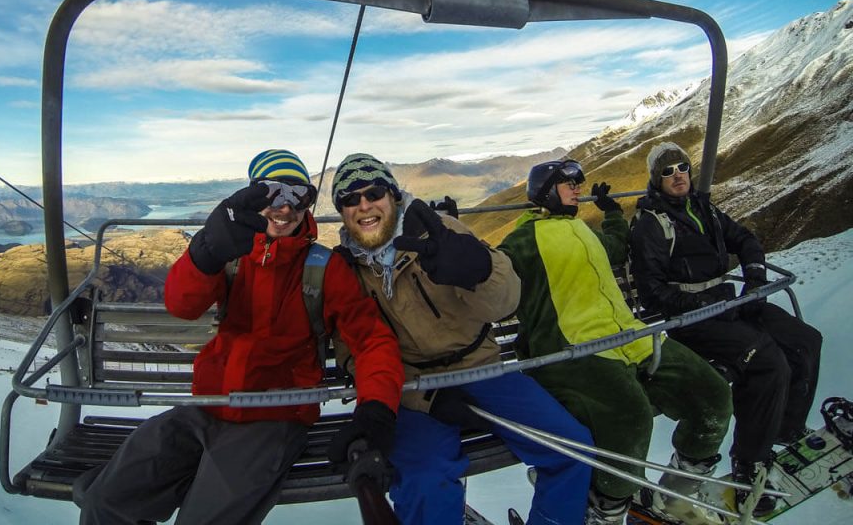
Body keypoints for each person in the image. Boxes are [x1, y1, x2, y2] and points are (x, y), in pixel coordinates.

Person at [74, 149, 404, 525]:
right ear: (251, 197)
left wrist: (375, 409)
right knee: (103, 502)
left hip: (274, 418)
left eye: (299, 195)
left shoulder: (323, 268)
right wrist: (205, 252)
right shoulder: (231, 256)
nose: (285, 208)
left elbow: (371, 340)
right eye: (271, 193)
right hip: (206, 408)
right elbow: (182, 305)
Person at [330, 152, 592, 525]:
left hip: (482, 368)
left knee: (571, 448)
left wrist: (481, 271)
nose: (364, 205)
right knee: (425, 480)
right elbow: (353, 354)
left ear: (393, 195)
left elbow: (506, 301)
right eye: (350, 200)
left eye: (374, 193)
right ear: (341, 211)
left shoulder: (439, 232)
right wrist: (423, 398)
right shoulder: (347, 271)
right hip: (414, 387)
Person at [498, 159, 733, 525]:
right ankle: (605, 507)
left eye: (578, 181)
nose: (578, 187)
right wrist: (452, 241)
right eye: (569, 182)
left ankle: (679, 491)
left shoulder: (579, 228)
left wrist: (610, 213)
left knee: (713, 395)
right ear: (546, 191)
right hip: (574, 348)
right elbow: (491, 283)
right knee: (631, 419)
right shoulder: (522, 242)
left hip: (631, 337)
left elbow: (614, 248)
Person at [629, 142, 823, 516]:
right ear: (656, 179)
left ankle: (785, 427)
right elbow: (653, 293)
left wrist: (754, 275)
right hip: (693, 319)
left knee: (805, 341)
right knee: (766, 361)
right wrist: (698, 304)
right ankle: (749, 461)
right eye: (667, 171)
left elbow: (745, 239)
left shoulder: (703, 208)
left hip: (729, 302)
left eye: (682, 167)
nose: (677, 175)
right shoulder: (651, 224)